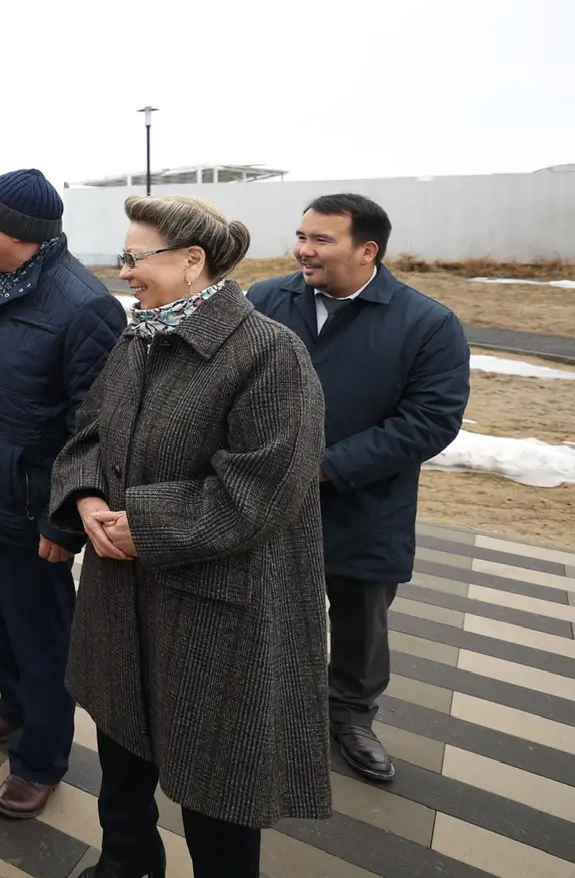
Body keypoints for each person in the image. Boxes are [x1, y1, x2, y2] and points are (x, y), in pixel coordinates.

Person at [50, 195, 330, 878]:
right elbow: (88, 434)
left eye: (134, 257)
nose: (123, 272)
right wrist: (85, 499)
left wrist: (143, 524)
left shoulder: (270, 355)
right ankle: (128, 864)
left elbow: (263, 491)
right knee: (121, 763)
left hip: (218, 616)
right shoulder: (138, 338)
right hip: (123, 598)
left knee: (218, 794)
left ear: (191, 260)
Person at [0, 169, 124, 820]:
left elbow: (90, 429)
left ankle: (41, 759)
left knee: (41, 639)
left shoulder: (86, 307)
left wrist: (62, 523)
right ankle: (14, 706)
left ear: (22, 233)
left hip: (30, 507)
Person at [248, 194, 468, 784]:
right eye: (301, 235)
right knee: (264, 609)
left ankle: (350, 717)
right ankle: (267, 710)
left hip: (365, 503)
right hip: (265, 499)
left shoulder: (426, 324)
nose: (303, 249)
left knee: (359, 620)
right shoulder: (265, 301)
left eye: (321, 239)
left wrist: (324, 466)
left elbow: (429, 421)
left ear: (367, 249)